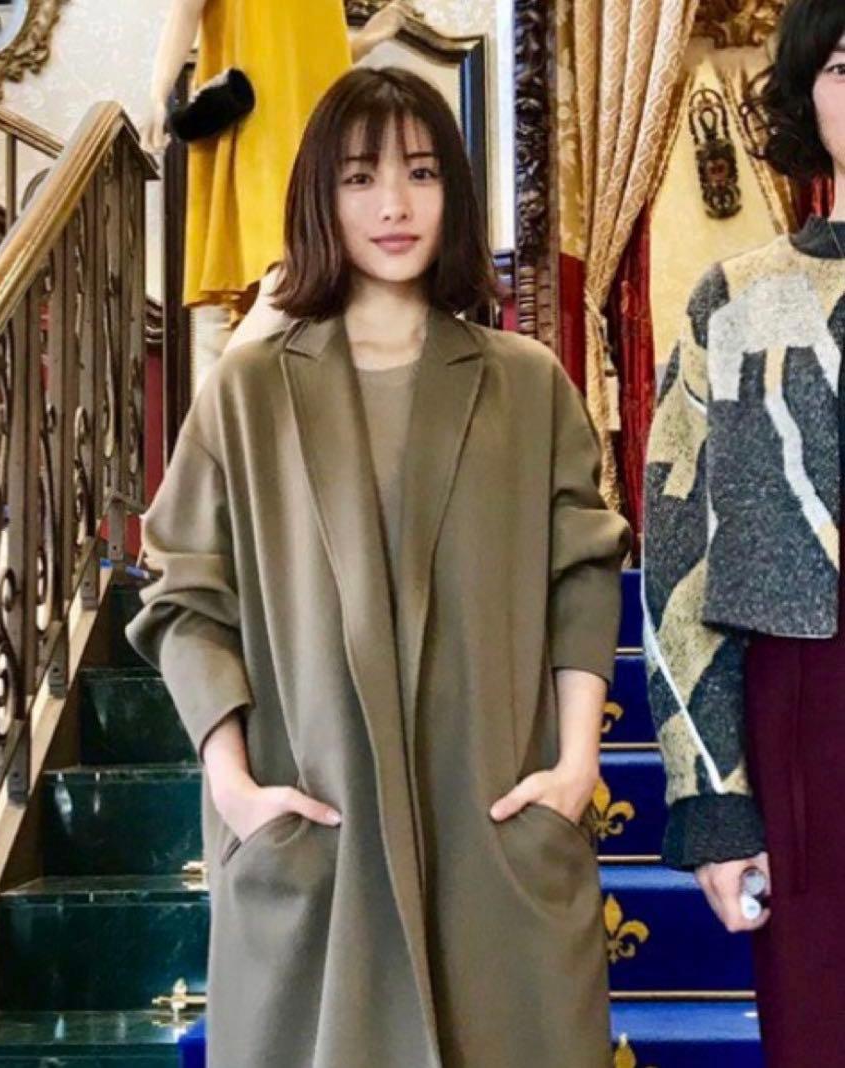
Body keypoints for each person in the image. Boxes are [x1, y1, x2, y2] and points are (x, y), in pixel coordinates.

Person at [129, 67, 629, 1068]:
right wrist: (235, 789)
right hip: (317, 825)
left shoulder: (527, 384)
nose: (394, 205)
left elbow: (583, 573)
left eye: (422, 173)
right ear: (320, 195)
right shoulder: (248, 392)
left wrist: (576, 765)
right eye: (360, 177)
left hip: (490, 830)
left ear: (457, 194)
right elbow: (185, 597)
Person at [642, 1, 845, 1062]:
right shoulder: (735, 302)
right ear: (805, 92)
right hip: (808, 709)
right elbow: (677, 552)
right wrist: (714, 802)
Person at [139, 0, 410, 314]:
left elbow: (306, 53)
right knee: (277, 273)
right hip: (261, 131)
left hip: (324, 127)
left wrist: (365, 42)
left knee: (318, 275)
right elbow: (185, 11)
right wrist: (158, 94)